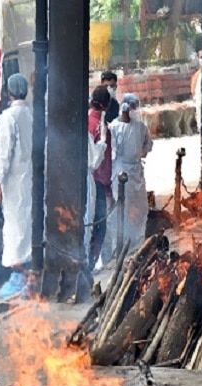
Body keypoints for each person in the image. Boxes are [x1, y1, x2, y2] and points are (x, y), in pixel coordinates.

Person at [0, 73, 33, 298]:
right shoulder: (30, 115)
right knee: (26, 225)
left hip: (13, 180)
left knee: (15, 228)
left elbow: (4, 154)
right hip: (28, 179)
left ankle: (20, 276)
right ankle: (27, 275)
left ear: (9, 92)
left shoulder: (9, 117)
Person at [109, 93, 153, 253]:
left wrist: (142, 152)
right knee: (123, 208)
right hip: (121, 170)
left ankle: (138, 241)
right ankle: (121, 244)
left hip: (136, 171)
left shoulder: (140, 127)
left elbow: (148, 145)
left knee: (140, 207)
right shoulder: (114, 127)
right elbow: (111, 150)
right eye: (133, 107)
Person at [87, 85, 113, 270]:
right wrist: (107, 184)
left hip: (89, 181)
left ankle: (88, 262)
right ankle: (90, 263)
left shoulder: (87, 120)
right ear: (107, 104)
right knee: (99, 225)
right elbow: (100, 161)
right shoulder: (101, 127)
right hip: (97, 182)